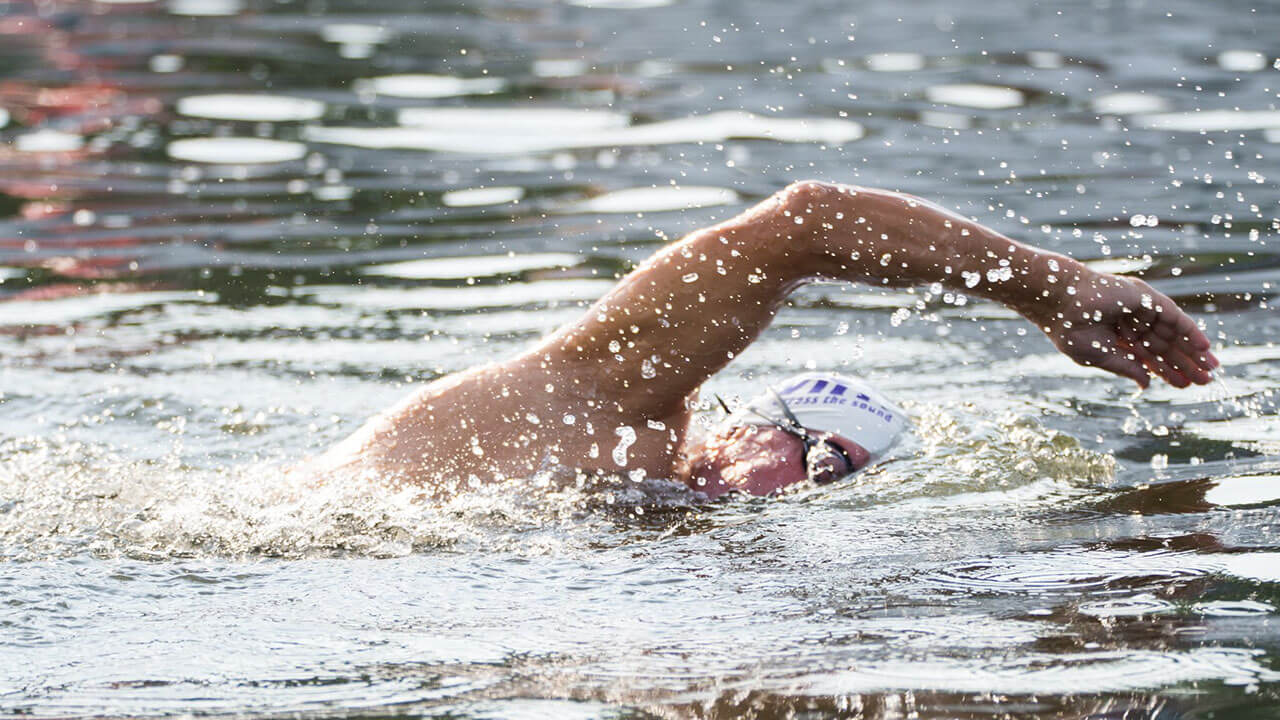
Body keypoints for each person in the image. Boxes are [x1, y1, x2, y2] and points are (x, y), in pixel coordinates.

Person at [299, 181, 1219, 499]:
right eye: (814, 448)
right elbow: (804, 224)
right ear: (738, 426)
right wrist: (1049, 284)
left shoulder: (660, 511)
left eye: (841, 475)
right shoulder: (596, 405)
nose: (816, 479)